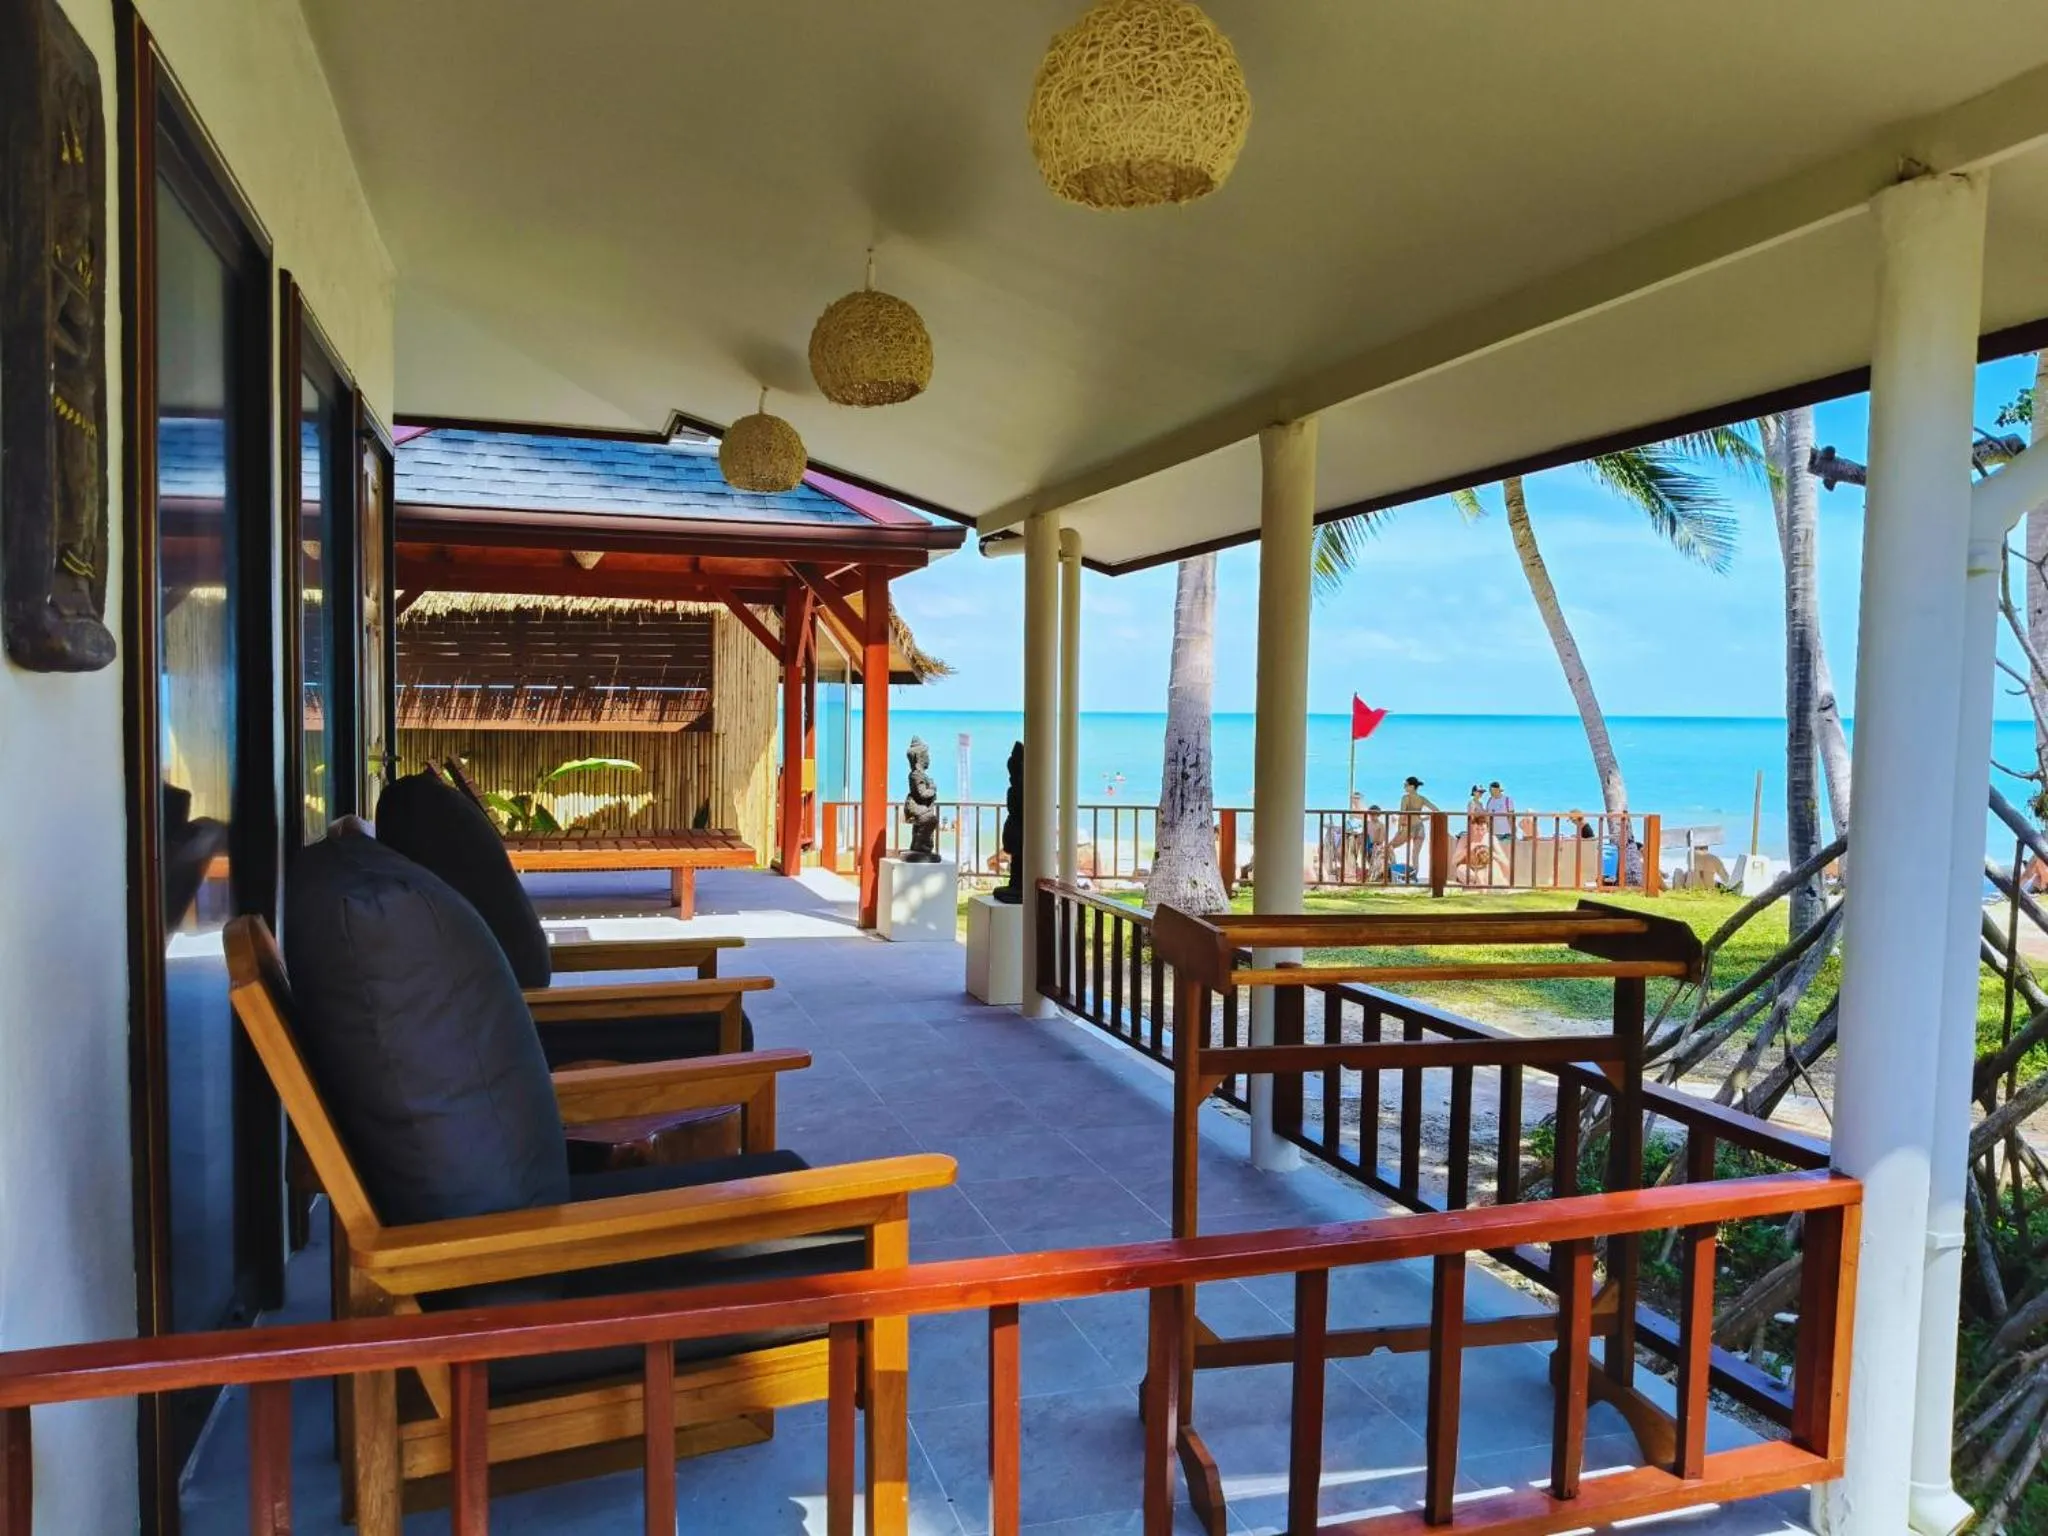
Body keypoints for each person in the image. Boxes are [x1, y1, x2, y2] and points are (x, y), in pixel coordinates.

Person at [1396, 776, 1435, 884]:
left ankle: (1393, 873)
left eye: (1406, 785)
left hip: (1410, 828)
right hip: (1420, 827)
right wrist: (1424, 818)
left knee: (1390, 847)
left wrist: (1398, 829)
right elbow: (1436, 810)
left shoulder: (1405, 798)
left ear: (1412, 787)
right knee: (1415, 854)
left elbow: (1402, 814)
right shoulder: (1422, 799)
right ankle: (1414, 877)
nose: (1404, 787)